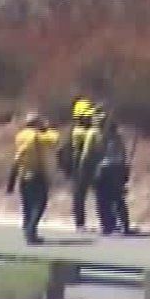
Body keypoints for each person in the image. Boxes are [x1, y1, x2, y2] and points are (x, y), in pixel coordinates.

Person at [9, 112, 59, 245]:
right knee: (39, 204)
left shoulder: (20, 135)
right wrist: (47, 128)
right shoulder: (37, 136)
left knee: (27, 204)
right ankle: (31, 232)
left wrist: (12, 179)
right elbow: (54, 140)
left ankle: (27, 229)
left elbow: (18, 155)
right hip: (37, 174)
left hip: (23, 174)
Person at [60, 99, 100, 231]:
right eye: (87, 116)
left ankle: (106, 222)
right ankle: (80, 223)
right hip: (79, 167)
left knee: (99, 194)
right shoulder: (77, 132)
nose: (90, 118)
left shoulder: (90, 130)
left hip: (91, 166)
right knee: (79, 196)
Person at [91, 111, 134, 236]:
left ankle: (108, 225)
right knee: (118, 197)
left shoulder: (97, 135)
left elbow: (94, 154)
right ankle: (123, 224)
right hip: (118, 168)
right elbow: (123, 154)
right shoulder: (117, 137)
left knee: (102, 199)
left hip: (104, 169)